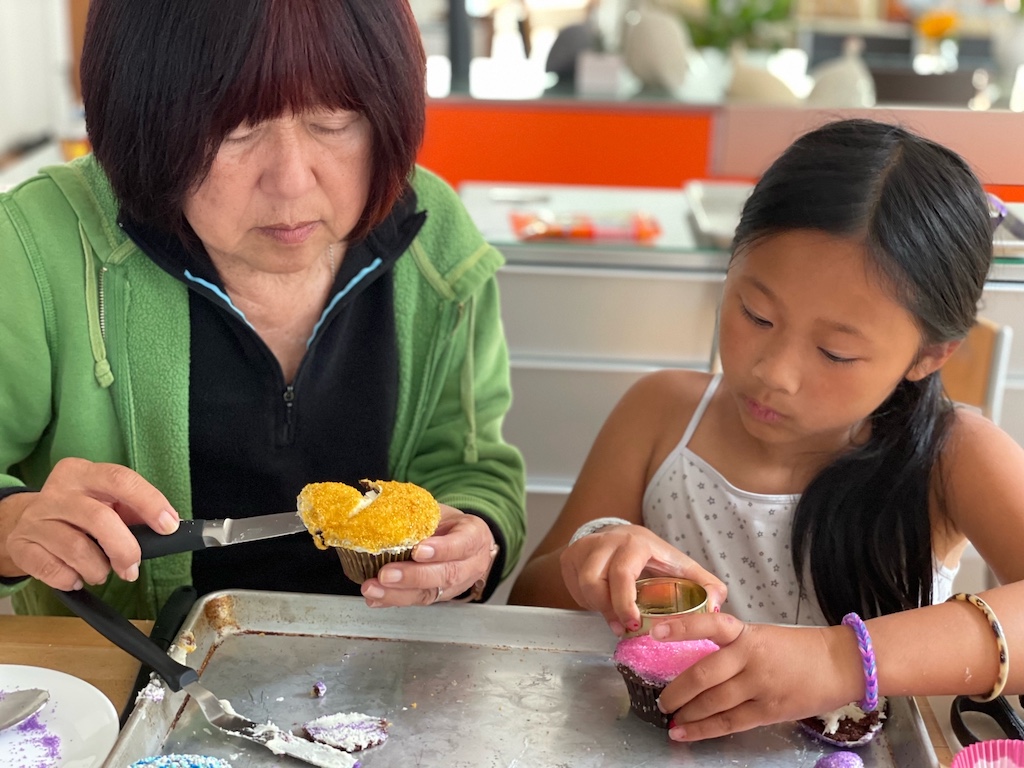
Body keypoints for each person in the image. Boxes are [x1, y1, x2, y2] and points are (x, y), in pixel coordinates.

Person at [0, 0, 525, 619]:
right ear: (140, 119)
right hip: (127, 685)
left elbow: (470, 464)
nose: (291, 182)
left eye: (333, 120)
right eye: (234, 129)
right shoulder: (39, 248)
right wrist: (14, 526)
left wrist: (473, 538)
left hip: (388, 679)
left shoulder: (434, 243)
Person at [509, 118, 1024, 740]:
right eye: (756, 314)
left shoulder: (952, 455)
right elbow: (529, 607)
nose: (774, 373)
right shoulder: (660, 415)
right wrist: (591, 564)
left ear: (929, 356)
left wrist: (839, 660)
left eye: (835, 352)